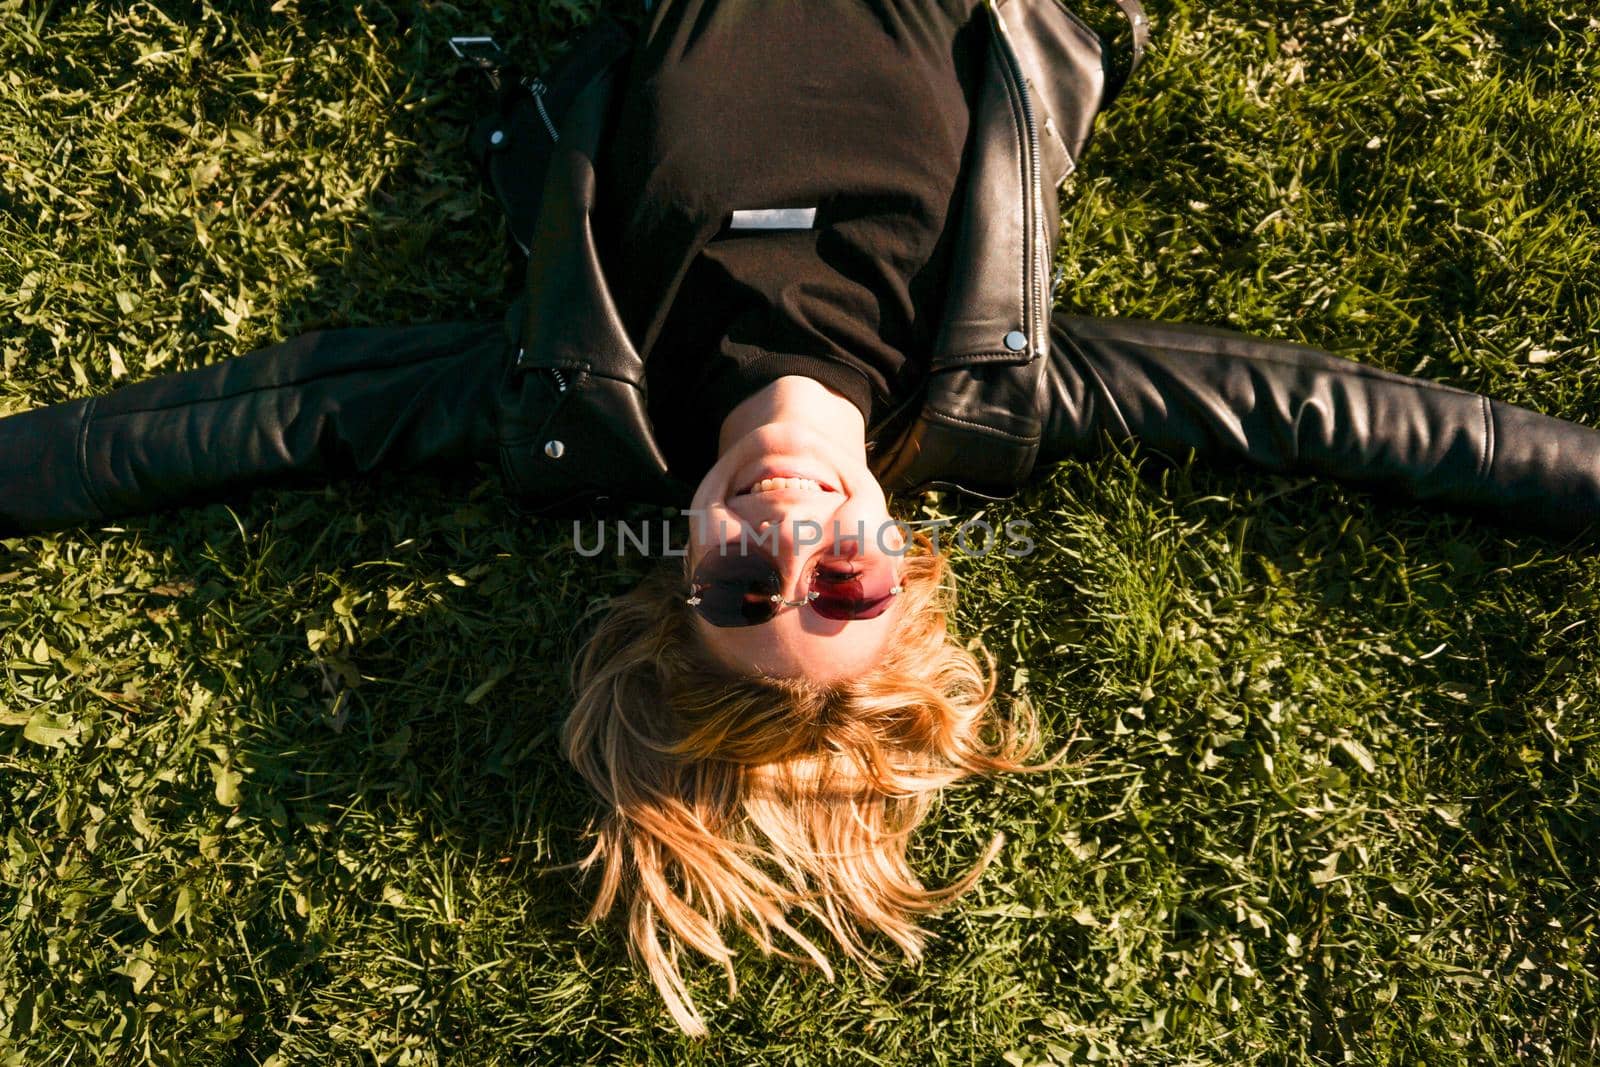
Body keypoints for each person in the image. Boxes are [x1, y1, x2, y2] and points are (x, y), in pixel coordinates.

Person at [3, 0, 1598, 1036]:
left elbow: (253, 424)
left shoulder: (568, 394)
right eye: (836, 593)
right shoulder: (993, 394)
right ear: (903, 574)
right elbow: (1338, 417)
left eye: (737, 586)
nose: (788, 541)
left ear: (672, 568)